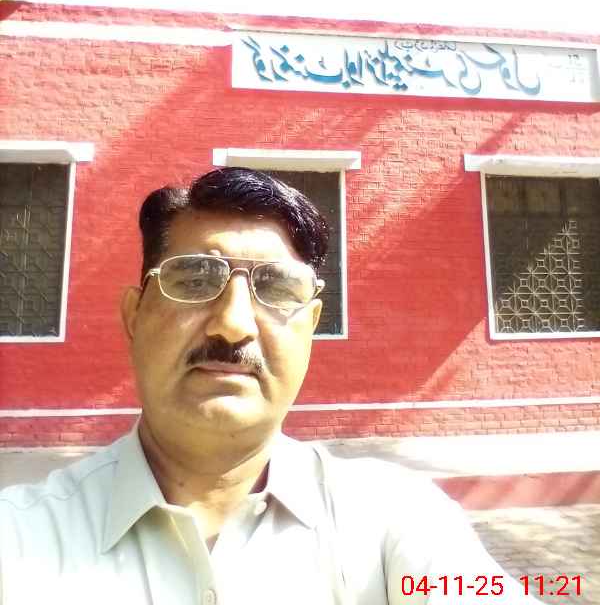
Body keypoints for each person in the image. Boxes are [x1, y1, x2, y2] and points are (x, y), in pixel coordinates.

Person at [0, 167, 538, 604]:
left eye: (277, 288)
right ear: (135, 317)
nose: (233, 325)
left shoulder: (397, 520)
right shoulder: (21, 537)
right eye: (195, 279)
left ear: (311, 326)